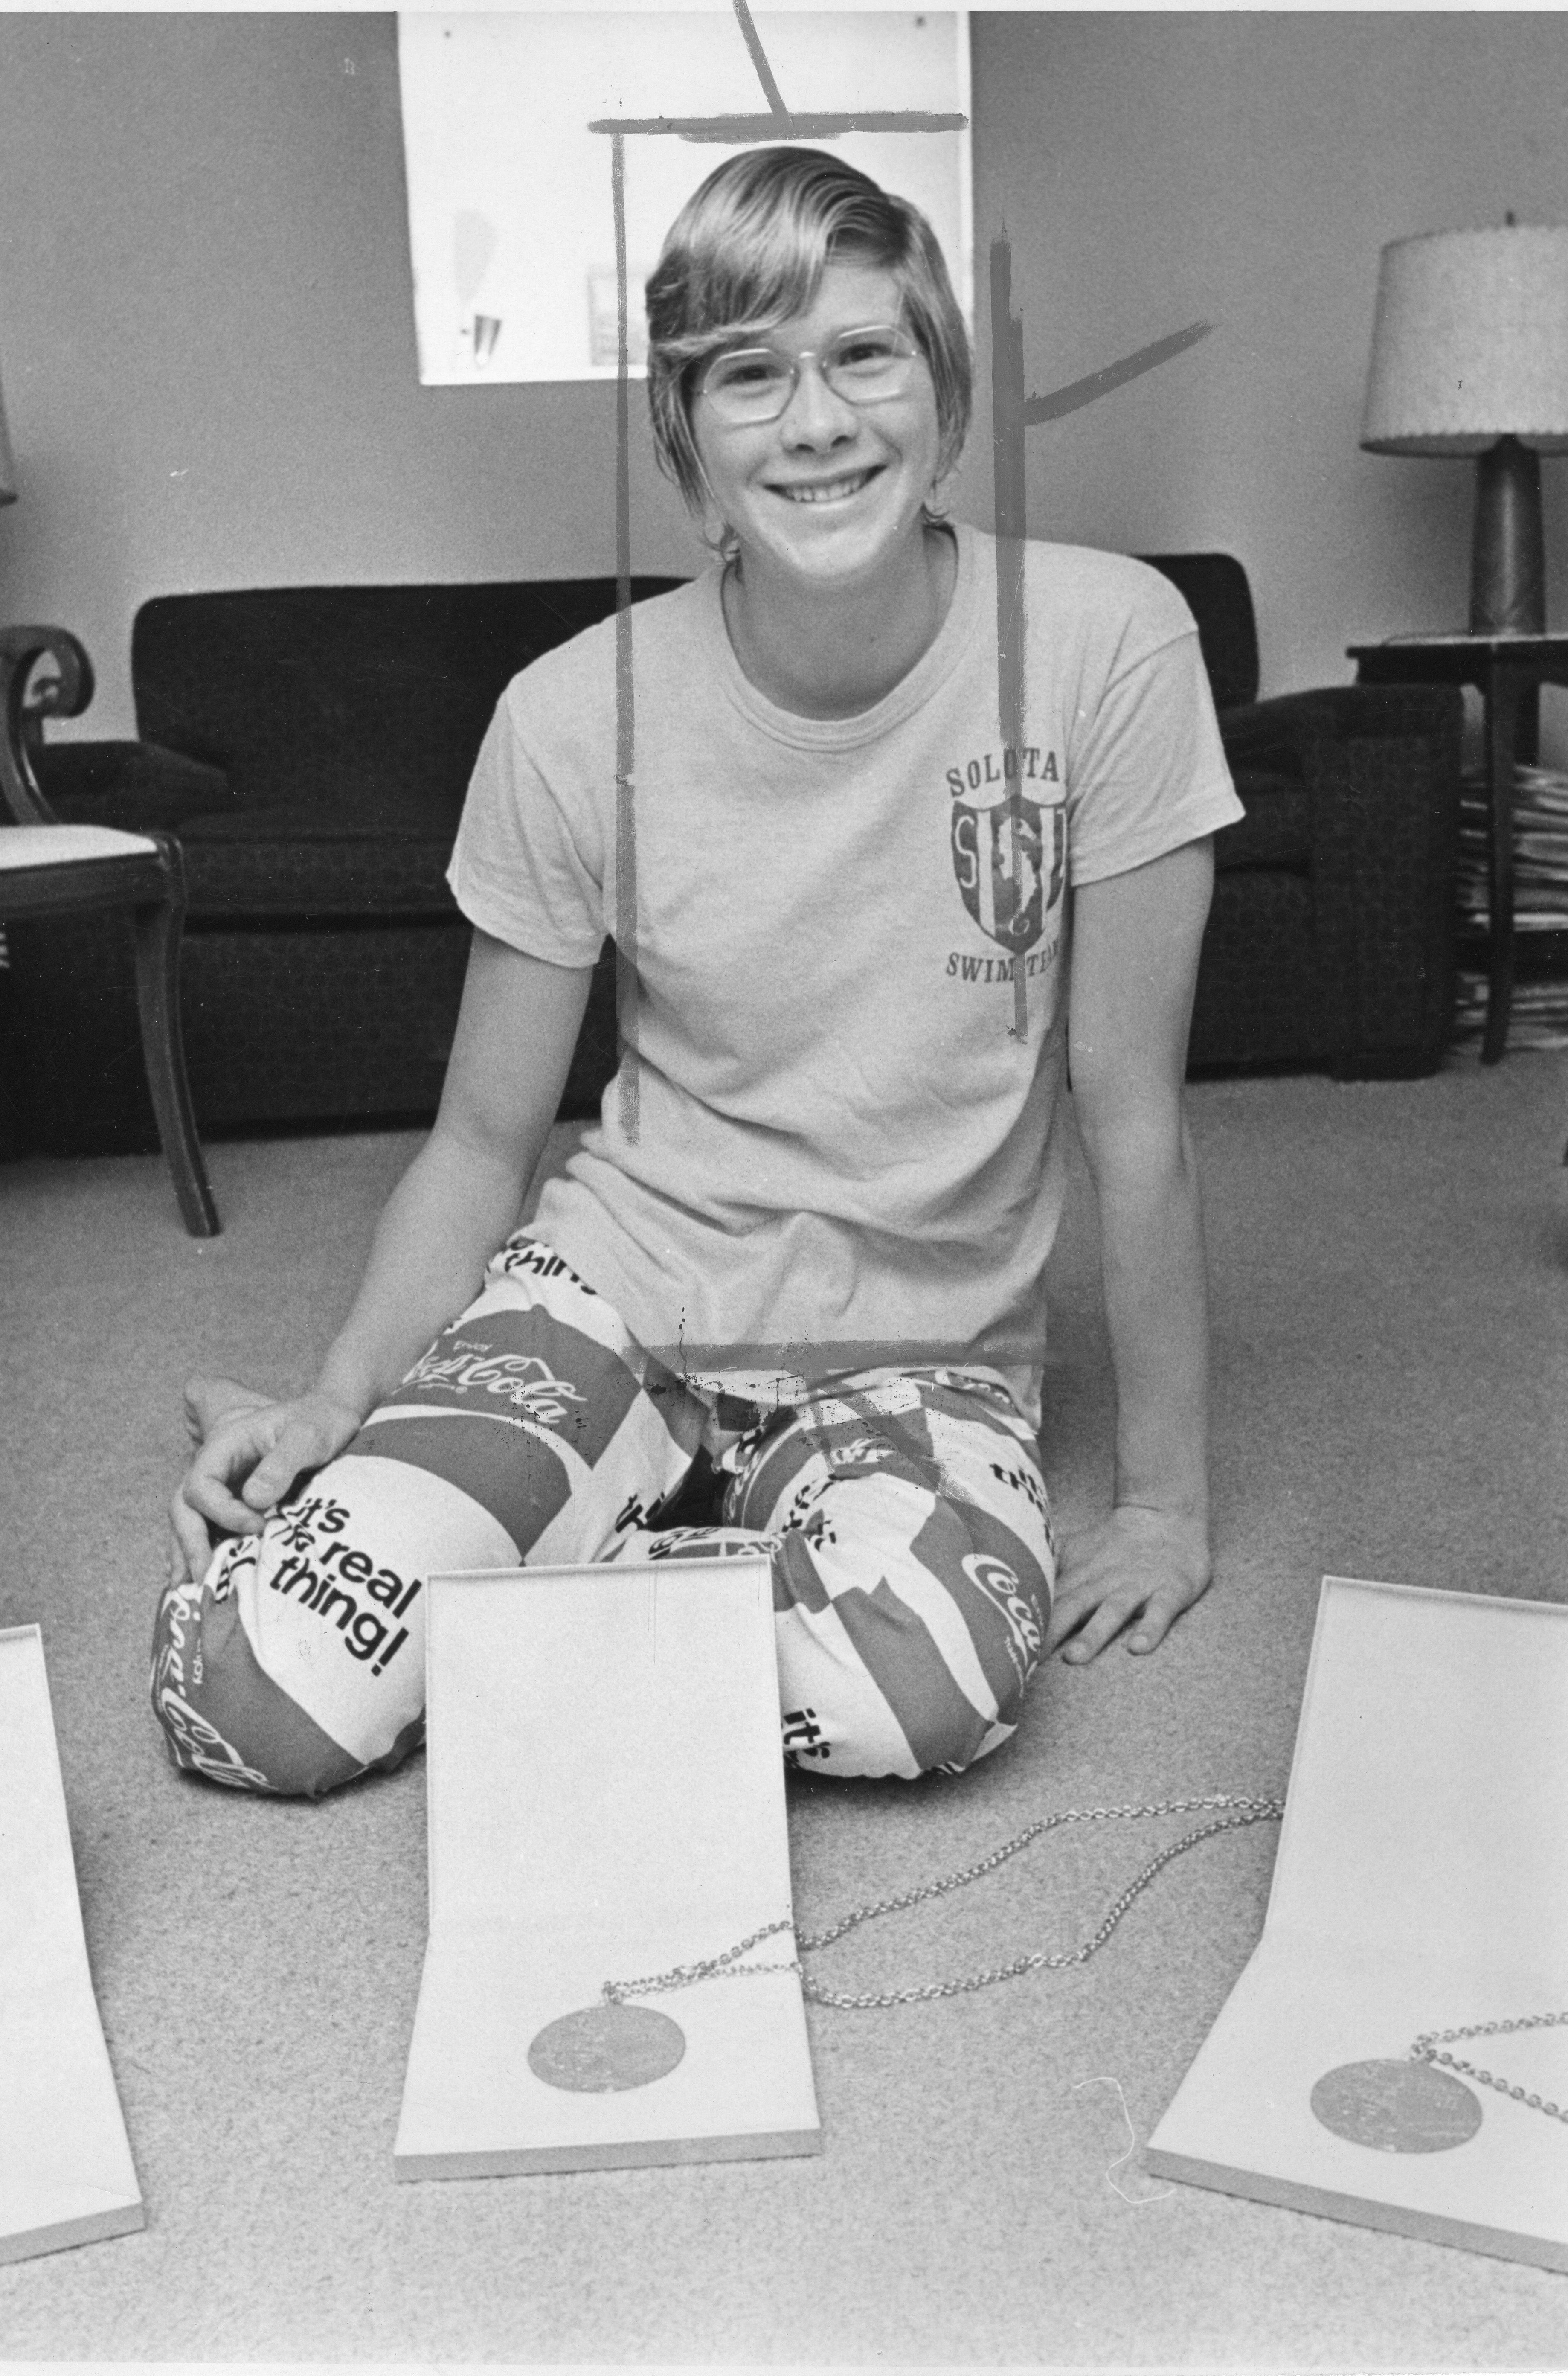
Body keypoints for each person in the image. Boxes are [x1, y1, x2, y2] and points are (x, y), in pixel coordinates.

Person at [152, 146, 1242, 1798]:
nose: (815, 422)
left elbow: (1133, 1117)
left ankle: (531, 1547)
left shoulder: (1107, 641)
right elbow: (479, 1139)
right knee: (256, 1701)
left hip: (918, 1354)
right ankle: (488, 1475)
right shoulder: (569, 715)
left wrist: (1161, 1501)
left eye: (863, 354)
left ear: (939, 385)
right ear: (686, 437)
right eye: (750, 375)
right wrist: (336, 1391)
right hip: (617, 1298)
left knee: (906, 1704)